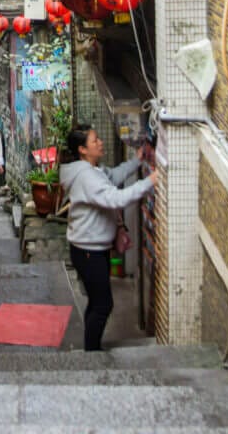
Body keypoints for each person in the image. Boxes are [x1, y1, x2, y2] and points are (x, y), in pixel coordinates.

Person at [60, 127, 158, 352]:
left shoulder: (92, 170)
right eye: (95, 140)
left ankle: (90, 348)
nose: (101, 143)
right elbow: (116, 198)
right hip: (88, 252)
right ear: (83, 150)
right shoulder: (86, 177)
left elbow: (112, 176)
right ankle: (92, 354)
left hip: (92, 249)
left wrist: (137, 161)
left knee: (96, 302)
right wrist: (151, 181)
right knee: (103, 304)